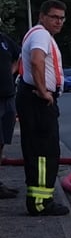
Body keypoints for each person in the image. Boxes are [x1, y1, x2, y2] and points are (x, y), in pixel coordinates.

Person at [16, 0, 69, 216]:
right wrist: (44, 91)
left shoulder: (38, 34)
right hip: (38, 100)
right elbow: (37, 62)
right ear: (42, 16)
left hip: (34, 98)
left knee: (41, 149)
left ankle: (40, 198)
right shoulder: (40, 35)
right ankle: (40, 202)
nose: (59, 21)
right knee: (44, 151)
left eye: (62, 18)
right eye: (54, 17)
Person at [0, 29, 21, 199]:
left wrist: (10, 72)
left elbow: (18, 56)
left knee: (2, 142)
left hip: (8, 97)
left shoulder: (4, 40)